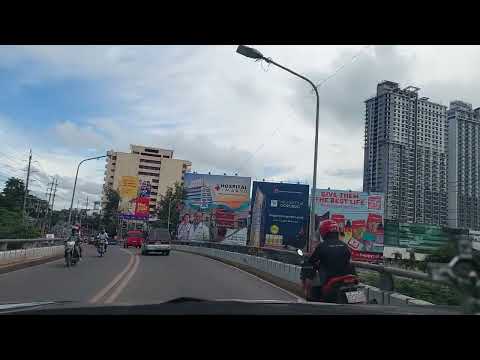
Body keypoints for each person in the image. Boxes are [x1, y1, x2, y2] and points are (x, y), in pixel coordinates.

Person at [303, 219, 355, 298]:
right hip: (349, 277)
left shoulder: (321, 246)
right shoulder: (345, 246)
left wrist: (308, 279)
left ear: (323, 232)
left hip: (331, 281)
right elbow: (350, 261)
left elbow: (311, 262)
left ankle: (308, 292)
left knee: (310, 269)